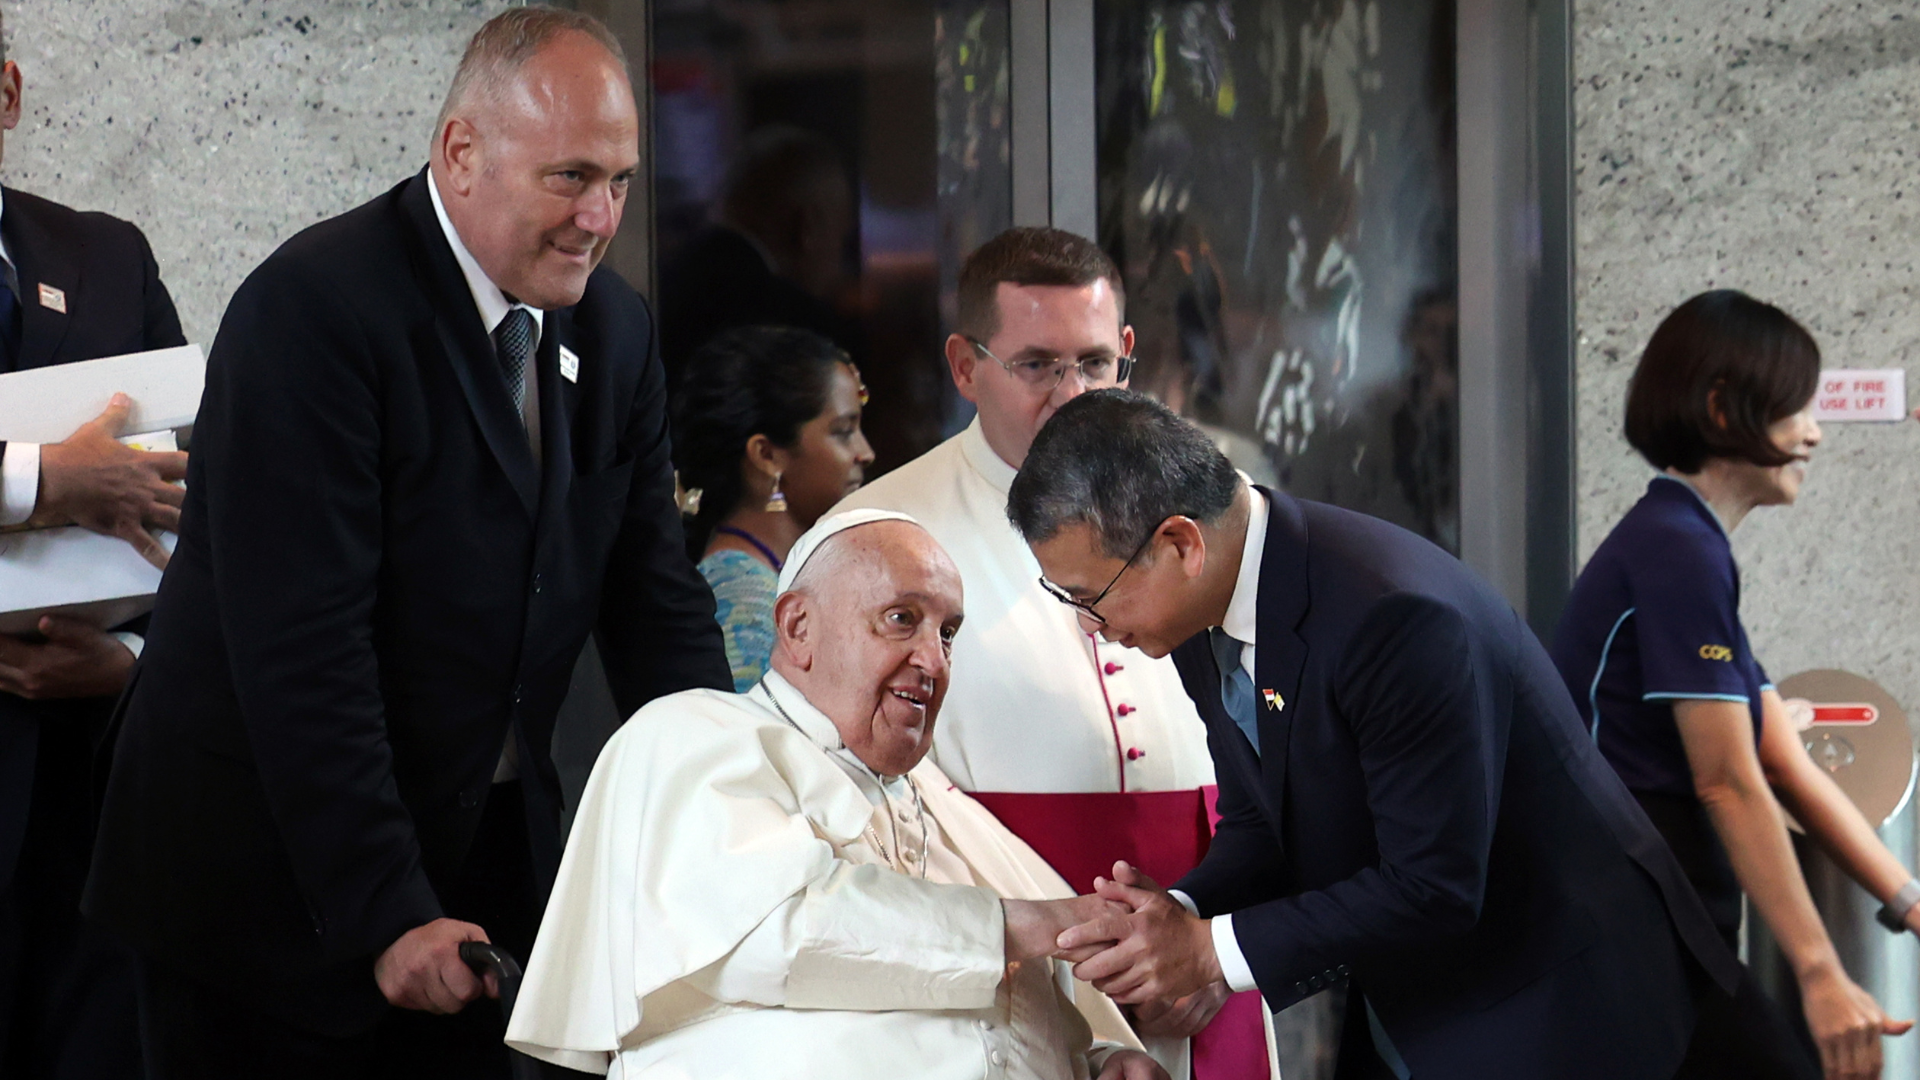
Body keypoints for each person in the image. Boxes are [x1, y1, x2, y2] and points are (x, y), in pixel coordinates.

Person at [81, 10, 731, 1078]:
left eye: (618, 179)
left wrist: (736, 818)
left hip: (482, 858)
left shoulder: (616, 331)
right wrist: (386, 907)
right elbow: (301, 648)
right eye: (569, 177)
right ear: (461, 152)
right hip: (268, 891)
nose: (599, 216)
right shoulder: (315, 310)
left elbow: (658, 607)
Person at [1007, 389, 1746, 1080]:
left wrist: (1210, 954)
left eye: (1091, 597)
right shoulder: (1203, 611)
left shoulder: (1390, 615)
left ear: (1180, 544)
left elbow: (1436, 884)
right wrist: (1179, 915)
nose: (1090, 627)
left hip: (1554, 996)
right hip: (1420, 998)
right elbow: (1265, 820)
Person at [507, 509, 1167, 1080]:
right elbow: (777, 930)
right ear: (797, 629)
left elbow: (1009, 1003)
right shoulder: (698, 736)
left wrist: (1099, 1060)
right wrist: (1031, 925)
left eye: (947, 633)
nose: (935, 662)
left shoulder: (941, 804)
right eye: (901, 619)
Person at [832, 227, 1264, 1079]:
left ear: (1128, 352)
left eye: (1096, 364)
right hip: (1007, 976)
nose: (1072, 396)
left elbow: (1277, 754)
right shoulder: (873, 538)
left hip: (1208, 955)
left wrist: (1219, 942)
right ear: (965, 366)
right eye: (1037, 366)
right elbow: (853, 810)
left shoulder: (1220, 503)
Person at [1550, 290, 1917, 1080]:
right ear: (1722, 408)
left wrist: (1911, 903)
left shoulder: (1683, 543)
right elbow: (1727, 781)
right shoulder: (1677, 548)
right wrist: (1821, 976)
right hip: (1634, 921)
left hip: (1656, 920)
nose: (1815, 431)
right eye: (1795, 406)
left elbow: (1781, 760)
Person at [0, 12, 189, 1075]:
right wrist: (42, 482)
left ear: (10, 95)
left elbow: (209, 511)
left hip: (99, 809)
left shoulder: (107, 259)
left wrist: (127, 667)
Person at [671, 324, 875, 691]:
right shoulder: (743, 600)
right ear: (767, 455)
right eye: (843, 431)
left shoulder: (777, 576)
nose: (866, 452)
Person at [656, 126, 861, 394]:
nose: (838, 267)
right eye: (841, 239)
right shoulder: (795, 326)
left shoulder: (661, 277)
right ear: (807, 228)